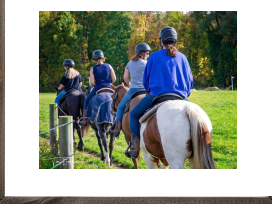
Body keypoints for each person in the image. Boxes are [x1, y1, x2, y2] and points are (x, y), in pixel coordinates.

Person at [128, 26, 193, 159]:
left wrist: (149, 90)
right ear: (175, 41)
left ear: (161, 41)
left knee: (133, 114)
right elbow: (190, 81)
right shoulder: (183, 57)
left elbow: (146, 80)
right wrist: (184, 93)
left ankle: (135, 147)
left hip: (157, 95)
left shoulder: (153, 56)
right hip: (180, 97)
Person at [109, 43, 151, 137]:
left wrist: (129, 84)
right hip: (146, 90)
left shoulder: (130, 63)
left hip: (132, 91)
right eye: (147, 53)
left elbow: (125, 77)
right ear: (143, 53)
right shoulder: (147, 63)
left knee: (120, 107)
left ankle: (116, 129)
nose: (148, 55)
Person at [80, 50, 116, 124]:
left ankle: (84, 119)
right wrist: (110, 84)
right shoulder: (109, 66)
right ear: (103, 58)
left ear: (94, 59)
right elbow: (114, 78)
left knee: (86, 100)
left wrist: (96, 85)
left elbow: (92, 82)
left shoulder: (93, 68)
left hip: (98, 88)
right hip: (110, 87)